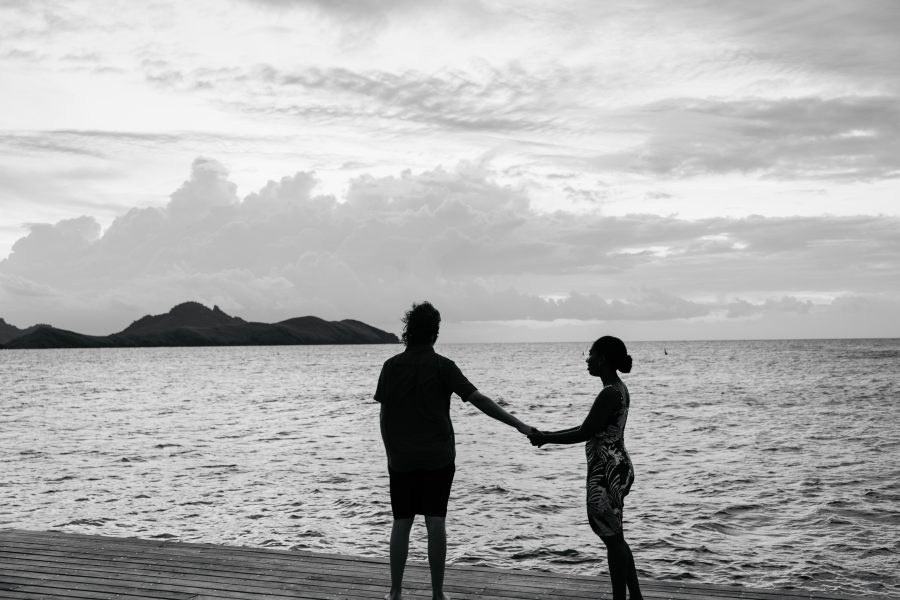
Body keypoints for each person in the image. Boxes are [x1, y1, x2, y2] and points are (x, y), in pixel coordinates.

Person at [375, 301, 535, 600]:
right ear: (435, 333)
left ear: (408, 330)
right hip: (438, 457)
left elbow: (385, 416)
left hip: (401, 458)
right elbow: (480, 400)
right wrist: (520, 425)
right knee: (435, 520)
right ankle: (437, 594)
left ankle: (395, 592)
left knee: (402, 521)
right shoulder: (443, 366)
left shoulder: (391, 366)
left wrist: (390, 452)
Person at [529, 336, 643, 600]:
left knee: (613, 540)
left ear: (602, 358)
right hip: (616, 465)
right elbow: (589, 429)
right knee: (616, 537)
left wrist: (546, 438)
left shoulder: (609, 393)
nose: (587, 359)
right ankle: (635, 597)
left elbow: (584, 432)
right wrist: (546, 435)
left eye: (591, 354)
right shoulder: (619, 389)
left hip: (607, 473)